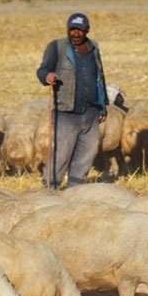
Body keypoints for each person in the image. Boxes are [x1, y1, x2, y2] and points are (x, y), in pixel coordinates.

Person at [36, 12, 108, 189]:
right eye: (72, 30)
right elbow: (43, 69)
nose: (76, 34)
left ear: (87, 30)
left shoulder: (94, 48)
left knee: (86, 154)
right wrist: (47, 76)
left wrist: (102, 106)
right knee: (61, 153)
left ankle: (74, 190)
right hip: (67, 111)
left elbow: (99, 76)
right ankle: (49, 188)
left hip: (90, 111)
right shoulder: (57, 47)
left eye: (80, 30)